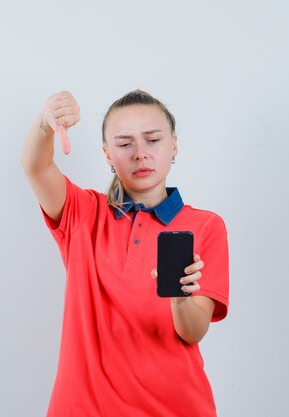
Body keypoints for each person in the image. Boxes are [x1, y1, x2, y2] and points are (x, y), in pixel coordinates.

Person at [21, 89, 229, 417]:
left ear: (173, 145)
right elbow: (35, 167)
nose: (140, 154)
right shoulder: (82, 213)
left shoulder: (206, 226)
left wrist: (180, 299)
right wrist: (47, 123)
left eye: (153, 140)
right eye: (124, 143)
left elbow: (193, 331)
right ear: (107, 154)